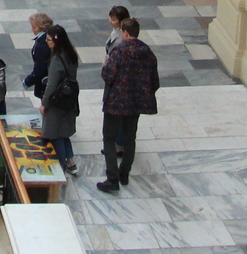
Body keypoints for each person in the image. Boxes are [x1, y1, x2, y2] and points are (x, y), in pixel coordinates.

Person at [96, 16, 161, 193]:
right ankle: (124, 173)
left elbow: (108, 76)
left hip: (116, 102)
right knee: (130, 137)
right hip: (136, 103)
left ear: (125, 33)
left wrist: (104, 67)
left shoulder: (119, 52)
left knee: (109, 138)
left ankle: (112, 178)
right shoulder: (147, 53)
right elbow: (154, 81)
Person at [39, 23, 81, 174]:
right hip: (69, 98)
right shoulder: (71, 53)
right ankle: (71, 162)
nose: (46, 42)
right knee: (64, 133)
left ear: (56, 41)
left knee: (55, 133)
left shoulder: (57, 58)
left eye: (49, 39)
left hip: (57, 101)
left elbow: (51, 84)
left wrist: (44, 103)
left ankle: (62, 164)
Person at [20, 11, 53, 97]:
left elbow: (39, 70)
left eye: (34, 28)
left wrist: (27, 82)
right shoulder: (49, 37)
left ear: (42, 28)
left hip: (46, 85)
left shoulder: (42, 45)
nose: (32, 30)